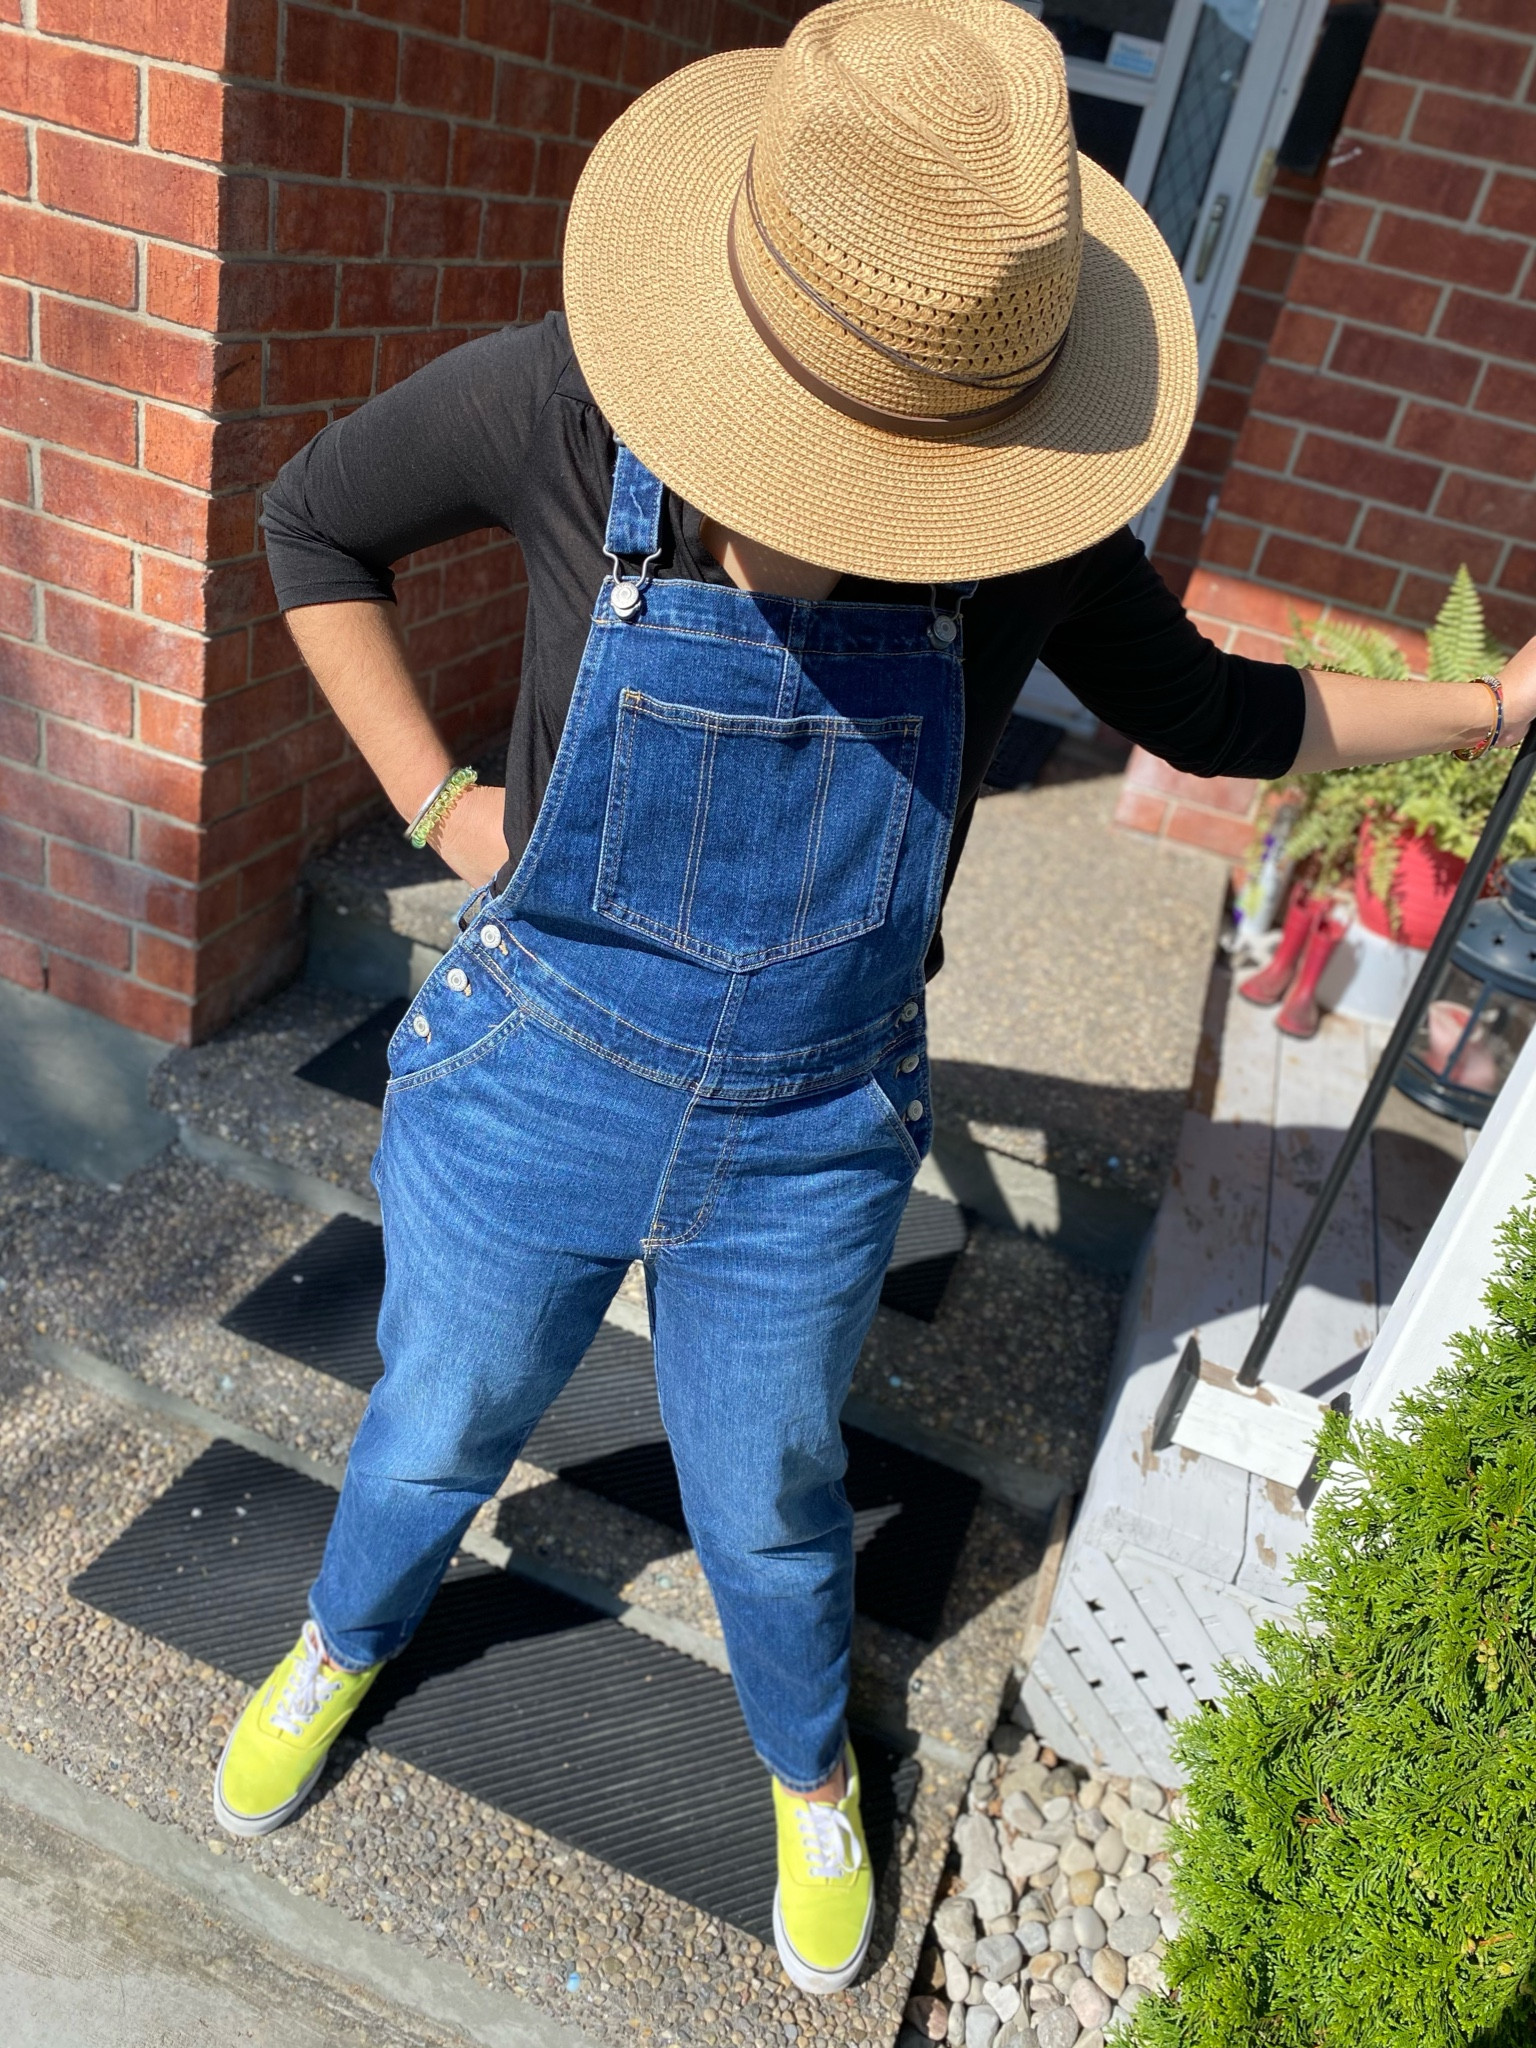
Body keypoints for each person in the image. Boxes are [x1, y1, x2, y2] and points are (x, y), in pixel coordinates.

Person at [208, 0, 1536, 1996]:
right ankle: (347, 1631)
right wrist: (442, 802)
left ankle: (808, 1764)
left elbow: (1224, 709)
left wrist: (1496, 702)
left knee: (771, 1490)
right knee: (433, 1422)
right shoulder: (575, 404)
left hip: (812, 1130)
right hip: (534, 1066)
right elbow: (314, 517)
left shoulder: (1032, 534)